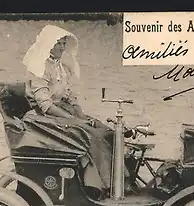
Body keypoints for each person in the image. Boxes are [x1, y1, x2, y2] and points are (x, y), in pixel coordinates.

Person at [22, 25, 121, 197]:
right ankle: (100, 186)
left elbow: (69, 96)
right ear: (48, 45)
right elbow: (46, 106)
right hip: (45, 118)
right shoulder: (38, 68)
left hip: (62, 111)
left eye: (64, 43)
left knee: (103, 129)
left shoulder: (59, 66)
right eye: (58, 43)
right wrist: (73, 119)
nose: (62, 47)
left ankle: (118, 182)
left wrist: (81, 115)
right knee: (90, 133)